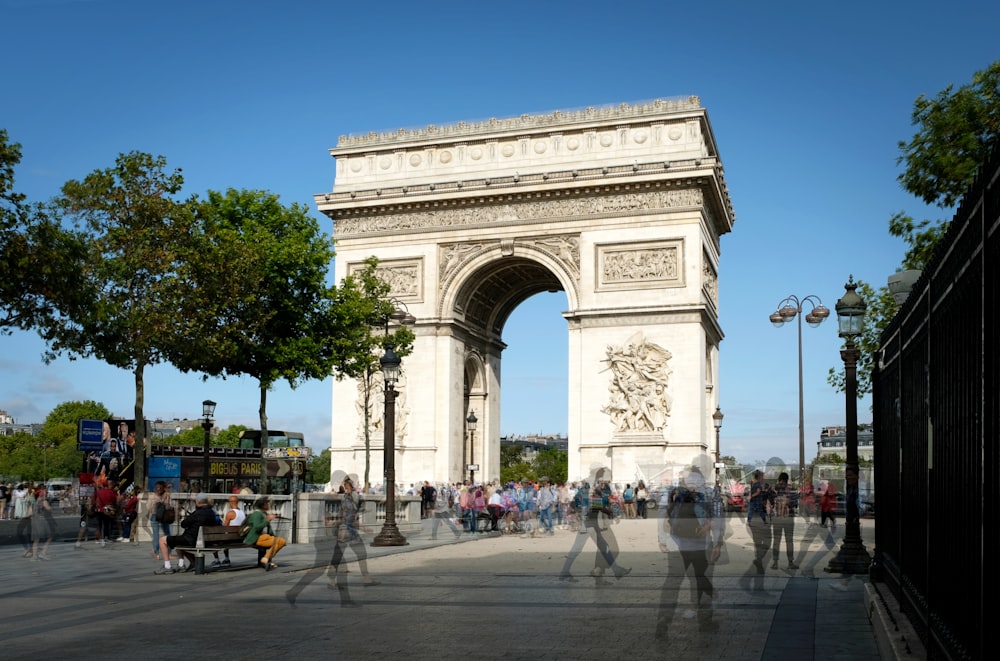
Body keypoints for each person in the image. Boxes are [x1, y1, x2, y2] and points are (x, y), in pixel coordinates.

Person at [655, 464, 726, 638]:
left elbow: (662, 514)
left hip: (677, 543)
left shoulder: (674, 490)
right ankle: (705, 624)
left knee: (673, 582)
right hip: (700, 543)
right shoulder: (710, 492)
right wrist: (717, 544)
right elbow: (718, 518)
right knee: (700, 580)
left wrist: (662, 539)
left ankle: (663, 621)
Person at [558, 467, 631, 584]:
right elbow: (595, 504)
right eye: (603, 476)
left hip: (591, 522)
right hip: (589, 523)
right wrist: (609, 512)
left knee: (600, 547)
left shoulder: (591, 486)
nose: (604, 479)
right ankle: (564, 572)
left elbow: (577, 500)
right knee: (582, 548)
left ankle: (615, 570)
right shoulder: (591, 487)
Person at [328, 477, 378, 597]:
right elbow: (348, 518)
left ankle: (333, 580)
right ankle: (365, 579)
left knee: (341, 556)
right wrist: (365, 528)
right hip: (347, 531)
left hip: (346, 531)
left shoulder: (346, 499)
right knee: (357, 554)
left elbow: (345, 515)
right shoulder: (349, 500)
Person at [154, 493, 219, 574]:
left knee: (162, 540)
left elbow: (184, 524)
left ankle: (167, 566)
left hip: (192, 540)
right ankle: (182, 565)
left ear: (198, 502)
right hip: (205, 540)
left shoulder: (198, 513)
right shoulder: (211, 513)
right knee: (179, 540)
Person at [243, 497, 287, 570]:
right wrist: (267, 520)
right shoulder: (256, 514)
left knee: (281, 541)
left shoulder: (263, 513)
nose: (269, 505)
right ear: (263, 505)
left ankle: (266, 558)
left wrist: (272, 535)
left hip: (265, 536)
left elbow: (268, 528)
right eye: (267, 503)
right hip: (257, 538)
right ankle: (266, 558)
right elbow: (257, 527)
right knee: (280, 541)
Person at [769, 472, 799, 570]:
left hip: (777, 518)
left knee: (776, 540)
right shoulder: (791, 490)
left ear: (779, 479)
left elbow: (770, 501)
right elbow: (794, 503)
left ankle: (775, 563)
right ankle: (790, 562)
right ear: (787, 480)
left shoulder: (773, 489)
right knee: (789, 540)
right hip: (788, 518)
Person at [212, 495, 246, 569]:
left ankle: (217, 560)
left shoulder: (230, 514)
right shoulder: (242, 513)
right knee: (226, 537)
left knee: (213, 540)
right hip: (240, 538)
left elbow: (224, 528)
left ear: (230, 503)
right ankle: (226, 559)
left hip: (231, 539)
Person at [147, 481, 174, 559]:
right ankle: (169, 553)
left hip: (155, 516)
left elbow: (148, 507)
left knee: (156, 535)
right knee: (167, 534)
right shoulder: (167, 495)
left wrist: (154, 509)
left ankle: (156, 553)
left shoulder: (152, 496)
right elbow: (171, 505)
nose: (158, 489)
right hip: (164, 516)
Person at [29, 485, 56, 560]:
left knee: (36, 538)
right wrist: (50, 507)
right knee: (50, 537)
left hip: (34, 520)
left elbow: (30, 510)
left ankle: (34, 556)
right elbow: (48, 509)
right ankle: (43, 553)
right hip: (41, 520)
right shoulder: (44, 501)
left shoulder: (34, 500)